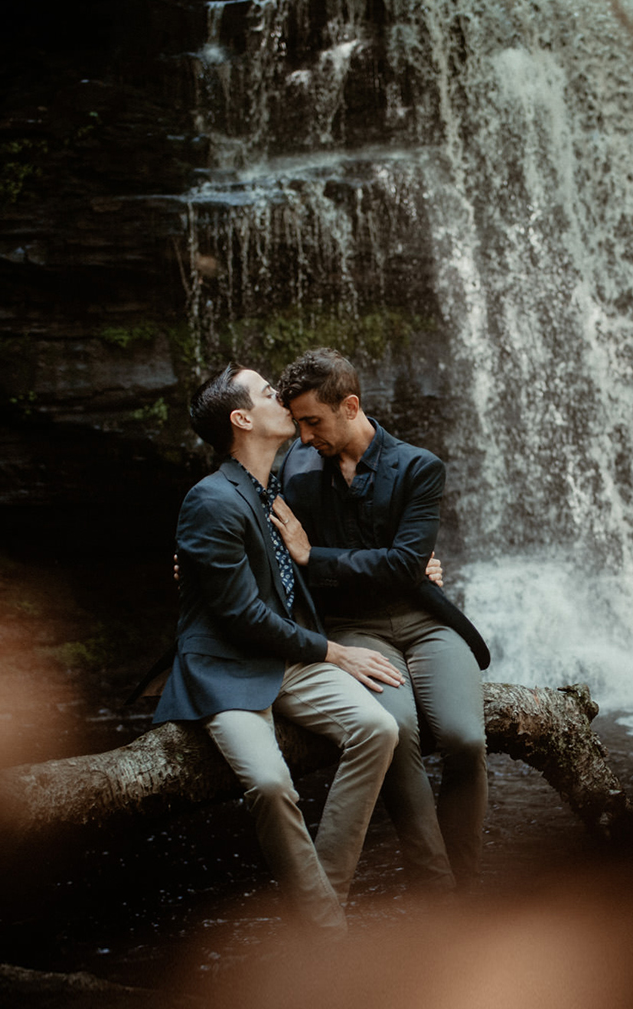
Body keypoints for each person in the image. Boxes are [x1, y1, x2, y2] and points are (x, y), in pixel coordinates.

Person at [152, 363, 402, 930]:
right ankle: (328, 931)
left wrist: (413, 570)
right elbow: (240, 615)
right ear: (242, 418)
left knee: (379, 728)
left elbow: (329, 551)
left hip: (287, 659)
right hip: (229, 668)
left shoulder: (277, 487)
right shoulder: (211, 499)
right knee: (269, 783)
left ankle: (323, 905)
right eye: (269, 393)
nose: (284, 401)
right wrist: (334, 651)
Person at [270, 348, 490, 888]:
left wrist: (313, 557)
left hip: (425, 622)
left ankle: (471, 877)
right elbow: (265, 550)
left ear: (350, 406)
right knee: (397, 728)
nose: (302, 437)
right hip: (353, 632)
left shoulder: (419, 467)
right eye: (297, 422)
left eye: (312, 422)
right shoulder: (293, 474)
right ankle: (435, 886)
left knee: (465, 738)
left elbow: (401, 569)